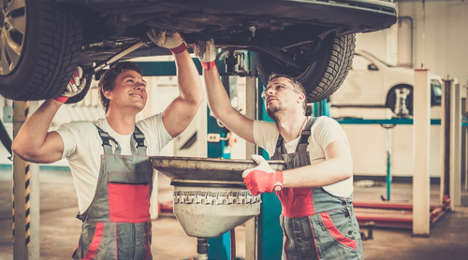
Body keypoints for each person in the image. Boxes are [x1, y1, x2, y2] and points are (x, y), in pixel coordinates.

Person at [12, 30, 204, 259]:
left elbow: (191, 100)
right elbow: (25, 147)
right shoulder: (85, 134)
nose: (140, 87)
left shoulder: (150, 134)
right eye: (129, 81)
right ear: (107, 92)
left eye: (142, 84)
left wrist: (179, 49)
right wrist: (57, 98)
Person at [194, 40, 363, 260]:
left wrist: (276, 178)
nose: (270, 91)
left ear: (300, 98)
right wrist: (208, 65)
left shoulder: (323, 126)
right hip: (294, 243)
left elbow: (341, 167)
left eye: (280, 86)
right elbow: (223, 112)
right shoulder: (274, 137)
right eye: (267, 90)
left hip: (335, 245)